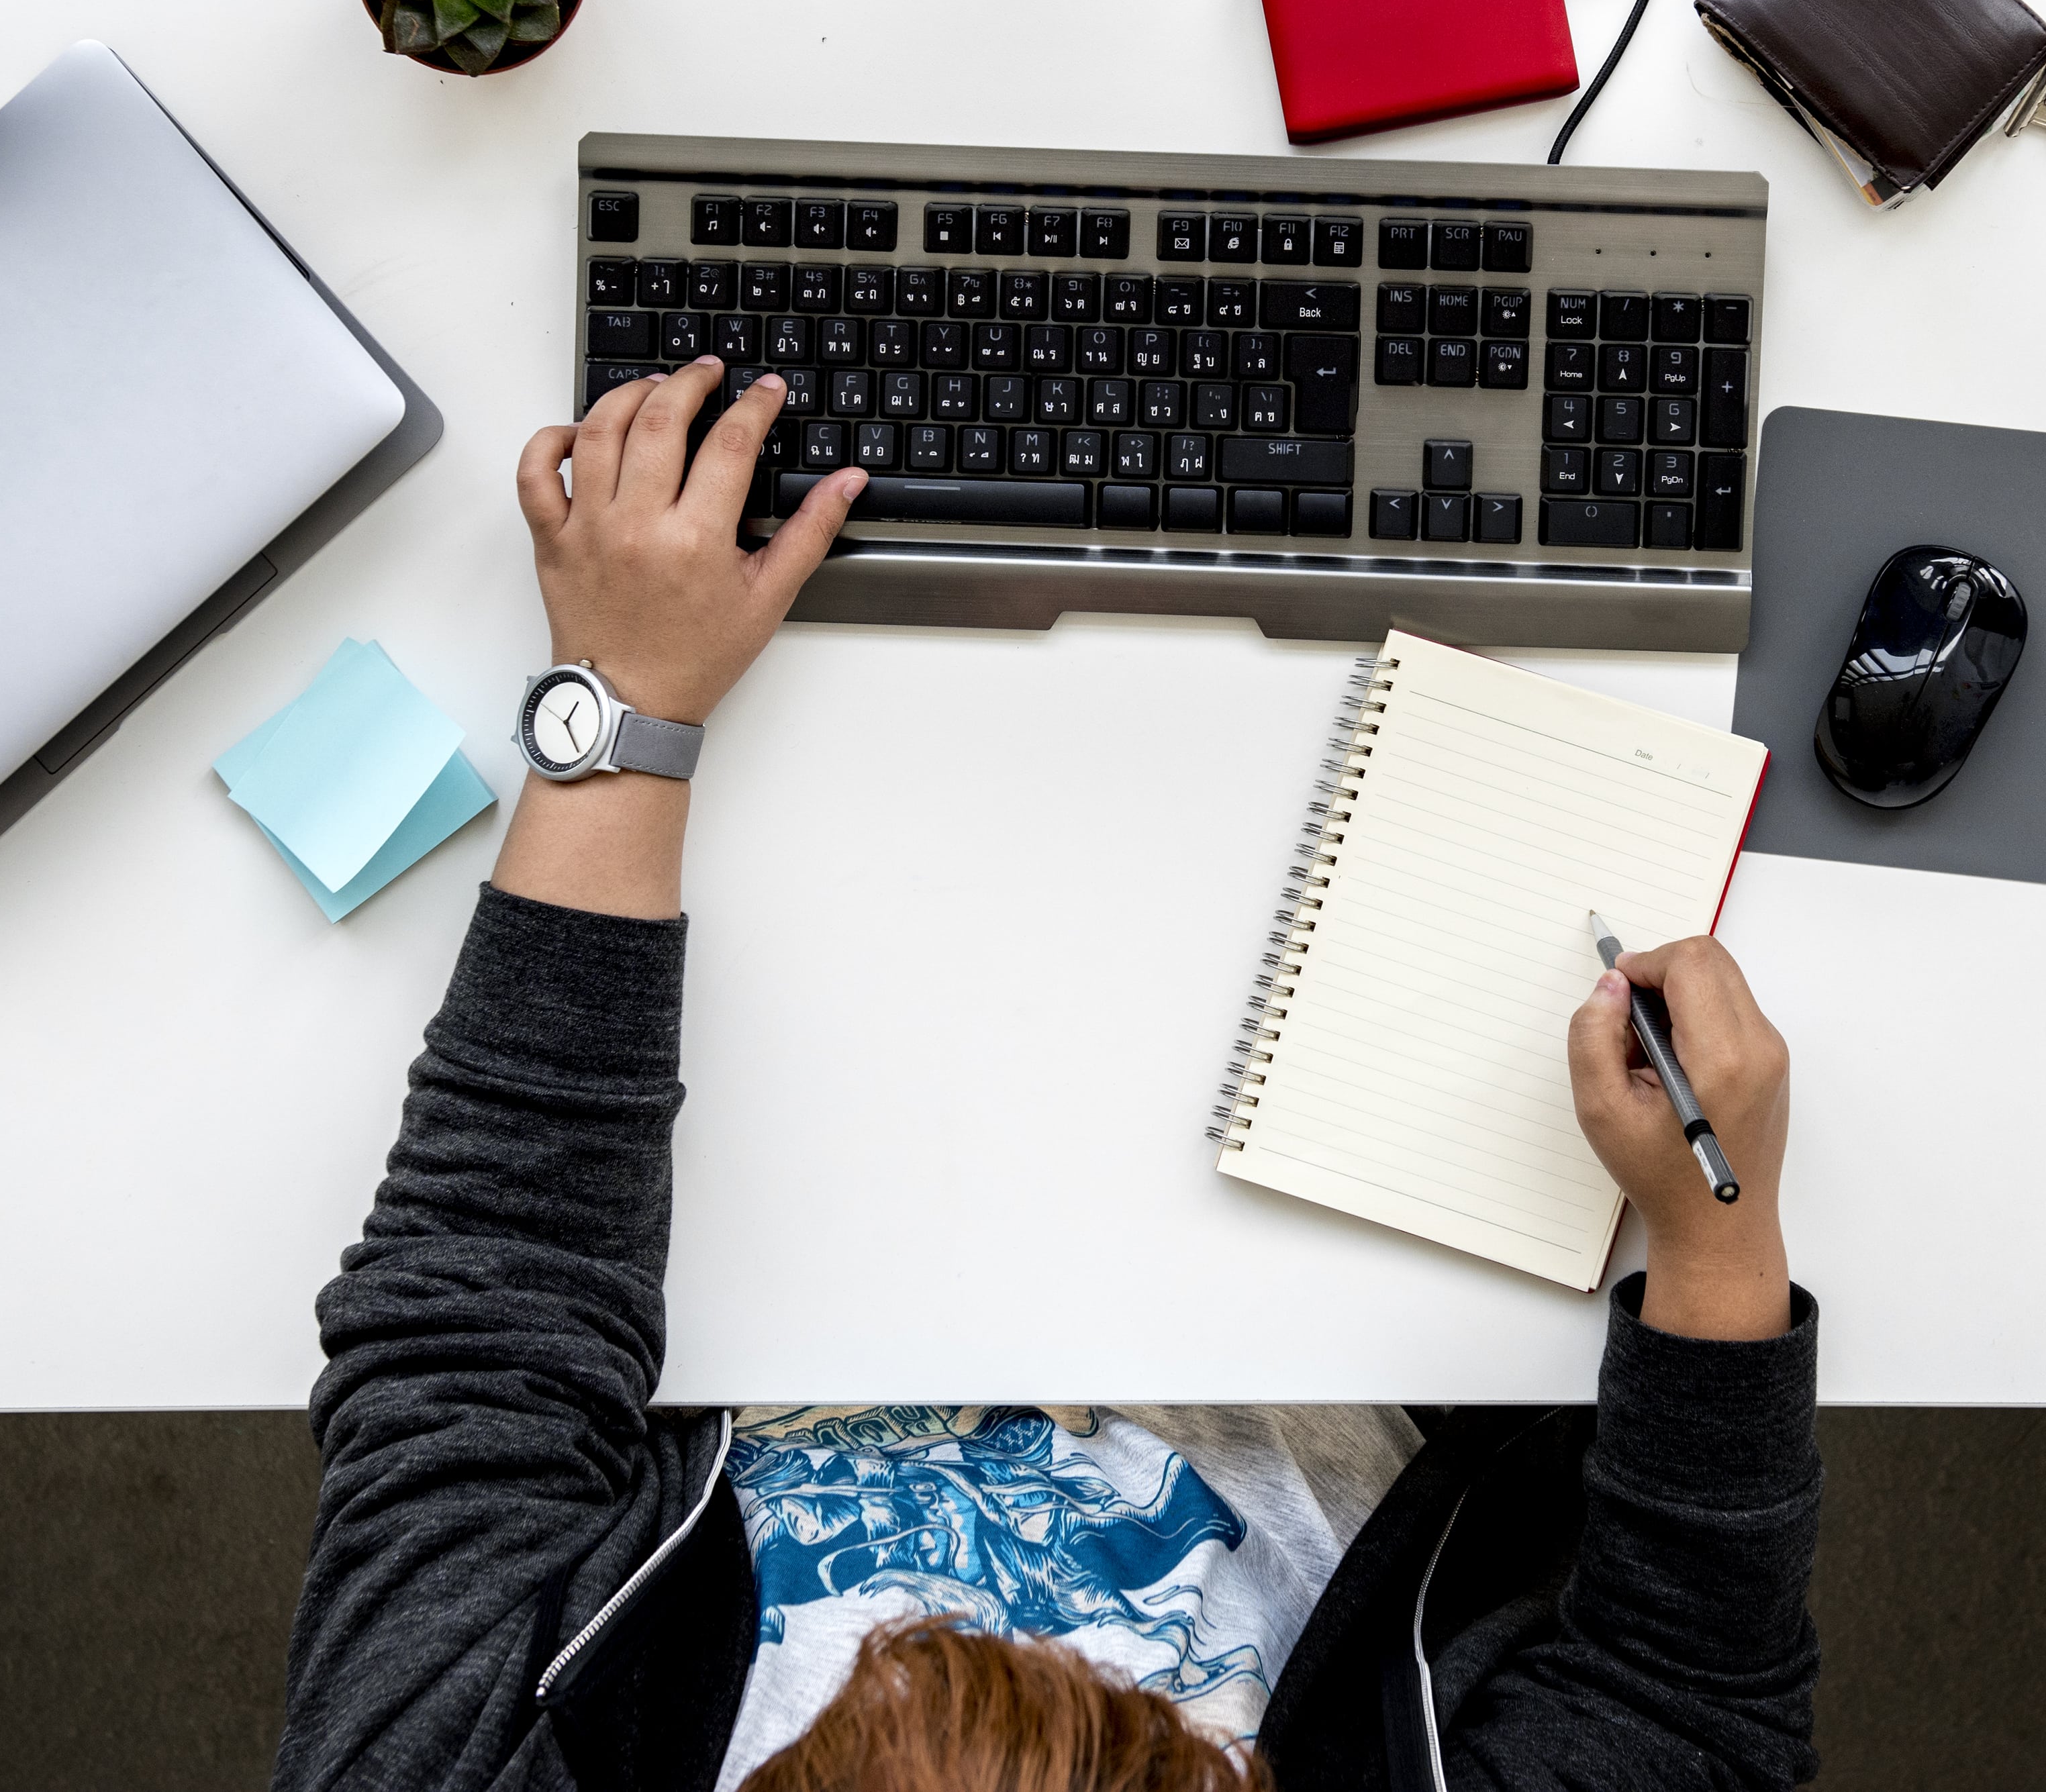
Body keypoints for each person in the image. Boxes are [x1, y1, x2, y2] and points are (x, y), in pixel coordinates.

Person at [270, 361, 1823, 1792]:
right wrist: (1717, 1240)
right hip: (1358, 1297)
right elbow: (1683, 1704)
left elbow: (479, 1331)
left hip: (780, 1250)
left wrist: (617, 717)